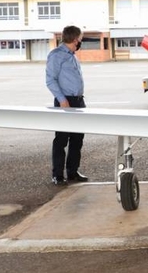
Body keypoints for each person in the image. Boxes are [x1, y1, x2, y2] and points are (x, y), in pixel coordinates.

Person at [45, 25, 89, 186]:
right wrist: (62, 100)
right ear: (75, 39)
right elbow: (50, 80)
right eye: (81, 38)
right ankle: (57, 175)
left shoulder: (72, 55)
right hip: (65, 101)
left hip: (78, 100)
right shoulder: (56, 55)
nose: (81, 41)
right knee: (61, 140)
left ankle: (72, 171)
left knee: (77, 138)